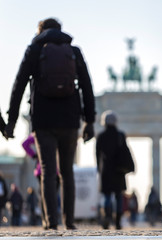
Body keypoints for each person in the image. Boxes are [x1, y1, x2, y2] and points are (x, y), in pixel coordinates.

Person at [4, 18, 96, 230]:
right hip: (70, 119)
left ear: (40, 31)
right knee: (67, 172)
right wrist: (89, 121)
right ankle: (70, 221)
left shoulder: (34, 50)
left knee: (47, 170)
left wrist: (11, 121)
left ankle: (50, 222)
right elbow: (86, 86)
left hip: (43, 120)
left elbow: (18, 84)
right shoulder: (74, 51)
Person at [96, 110, 134, 230]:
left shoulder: (101, 136)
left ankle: (107, 216)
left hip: (106, 170)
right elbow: (125, 151)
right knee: (118, 196)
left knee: (107, 197)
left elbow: (97, 155)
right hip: (119, 170)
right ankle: (118, 221)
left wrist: (99, 168)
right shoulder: (120, 135)